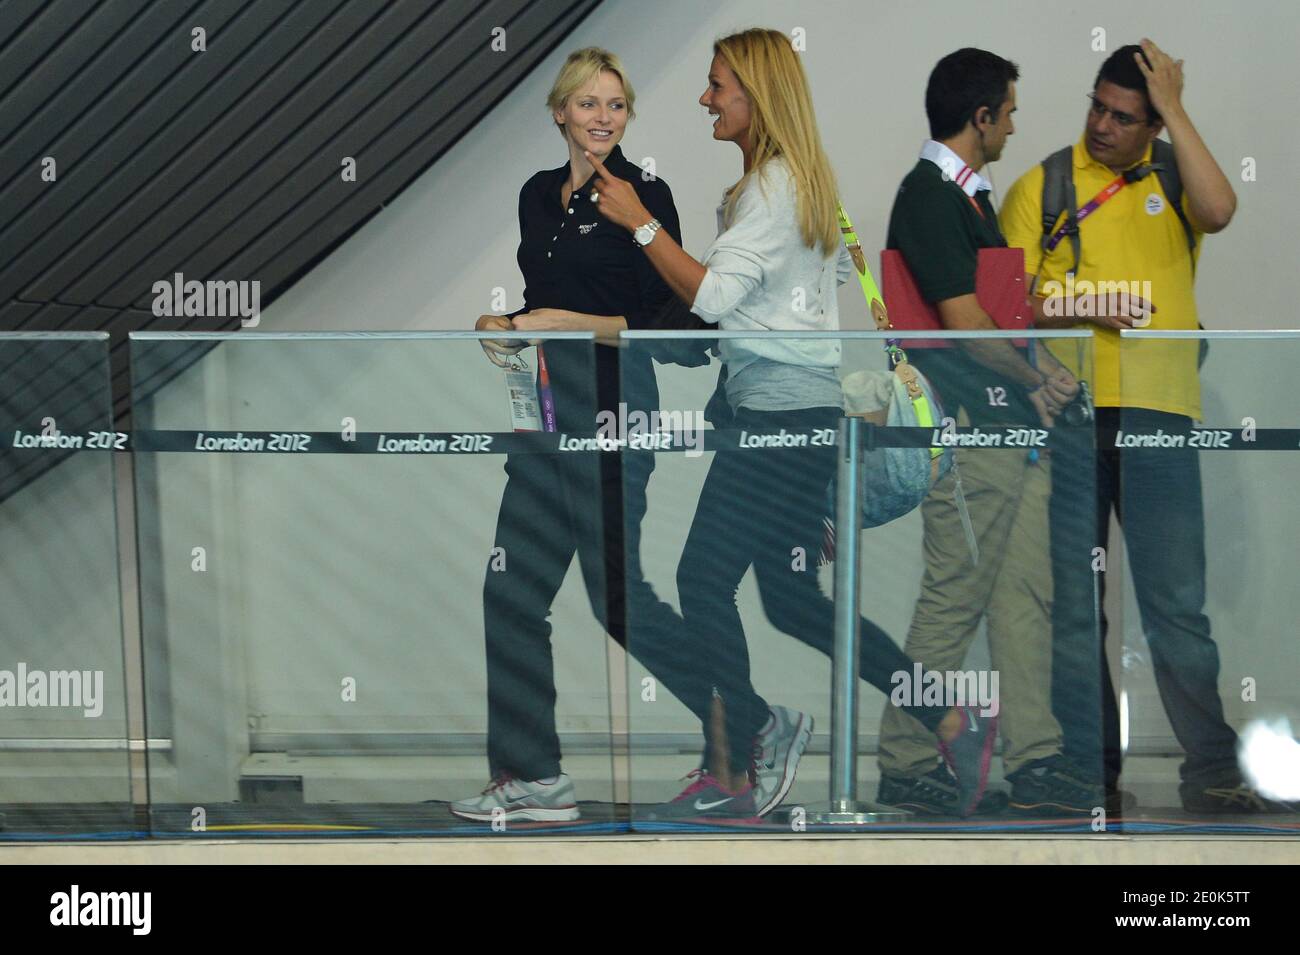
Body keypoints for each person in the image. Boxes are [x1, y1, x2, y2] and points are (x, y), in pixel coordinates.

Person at [588, 28, 996, 819]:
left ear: (756, 94)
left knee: (702, 577)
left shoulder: (776, 187)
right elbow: (788, 300)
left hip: (781, 416)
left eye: (717, 85)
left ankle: (753, 743)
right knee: (788, 598)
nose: (706, 98)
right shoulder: (781, 187)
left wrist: (641, 223)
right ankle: (948, 714)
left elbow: (713, 301)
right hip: (783, 410)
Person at [1001, 40, 1290, 813]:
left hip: (1162, 412)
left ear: (1152, 123)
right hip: (1070, 414)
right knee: (1073, 603)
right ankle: (1086, 769)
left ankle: (1211, 769)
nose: (1102, 124)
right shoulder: (1046, 184)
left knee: (1176, 606)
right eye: (1096, 106)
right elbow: (1004, 303)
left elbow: (1223, 210)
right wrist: (1088, 307)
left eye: (1124, 116)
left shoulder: (1174, 175)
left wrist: (1176, 111)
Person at [451, 48, 708, 823]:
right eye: (588, 104)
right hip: (544, 416)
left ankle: (750, 718)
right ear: (559, 111)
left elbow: (683, 330)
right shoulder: (537, 196)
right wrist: (507, 321)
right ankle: (533, 776)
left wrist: (572, 326)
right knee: (510, 591)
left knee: (616, 600)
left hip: (617, 412)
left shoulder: (644, 195)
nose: (602, 118)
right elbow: (545, 298)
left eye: (616, 105)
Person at [877, 49, 1104, 817]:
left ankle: (1035, 759)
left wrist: (1042, 372)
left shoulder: (968, 199)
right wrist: (1036, 373)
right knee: (954, 598)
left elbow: (996, 322)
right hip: (972, 430)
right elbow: (966, 326)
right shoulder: (928, 196)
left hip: (1013, 430)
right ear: (980, 119)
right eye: (1007, 110)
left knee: (1023, 599)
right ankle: (904, 759)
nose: (1013, 122)